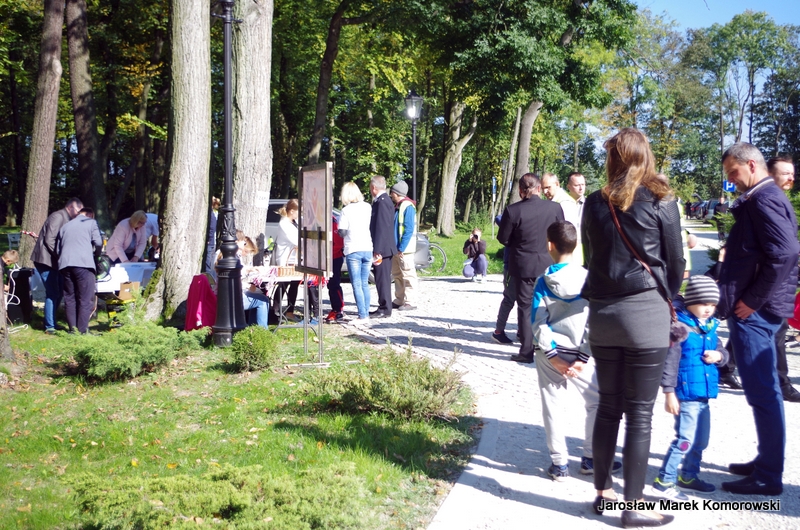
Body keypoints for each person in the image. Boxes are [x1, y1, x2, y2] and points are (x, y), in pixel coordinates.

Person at [582, 128, 684, 527]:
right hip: (645, 313)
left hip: (603, 315)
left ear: (612, 160)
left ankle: (604, 494)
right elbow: (675, 263)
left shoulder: (594, 201)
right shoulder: (661, 199)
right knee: (639, 414)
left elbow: (591, 258)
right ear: (646, 157)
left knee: (608, 407)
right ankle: (633, 507)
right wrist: (663, 297)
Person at [717, 143, 799, 496]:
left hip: (757, 312)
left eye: (734, 172)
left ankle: (768, 475)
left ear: (751, 165)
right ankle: (767, 460)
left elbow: (786, 253)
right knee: (762, 391)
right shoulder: (763, 197)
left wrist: (752, 300)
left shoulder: (765, 198)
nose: (732, 180)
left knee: (763, 392)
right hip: (759, 310)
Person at [532, 220, 621, 482]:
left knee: (553, 406)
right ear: (576, 245)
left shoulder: (543, 282)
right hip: (583, 353)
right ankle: (591, 458)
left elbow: (537, 322)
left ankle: (559, 464)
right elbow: (597, 320)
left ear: (550, 245)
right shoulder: (590, 279)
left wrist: (553, 356)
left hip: (551, 354)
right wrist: (583, 356)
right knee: (596, 402)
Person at [653, 276, 728, 501]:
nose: (708, 309)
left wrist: (719, 356)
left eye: (712, 304)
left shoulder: (711, 327)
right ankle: (664, 480)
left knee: (701, 440)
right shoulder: (680, 328)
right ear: (691, 301)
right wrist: (669, 392)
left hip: (703, 395)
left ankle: (689, 475)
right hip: (685, 395)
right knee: (685, 439)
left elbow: (723, 352)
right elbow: (670, 361)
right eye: (704, 303)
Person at [498, 173, 564, 364]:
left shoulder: (513, 210)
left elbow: (503, 239)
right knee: (550, 305)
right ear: (539, 188)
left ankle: (526, 351)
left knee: (525, 308)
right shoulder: (555, 208)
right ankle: (552, 349)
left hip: (523, 265)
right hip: (549, 263)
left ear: (520, 190)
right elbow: (561, 233)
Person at [765, 156, 800, 403]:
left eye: (792, 173)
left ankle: (726, 366)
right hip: (772, 279)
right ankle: (781, 383)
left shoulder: (779, 200)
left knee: (757, 325)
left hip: (781, 277)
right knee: (778, 329)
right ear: (770, 174)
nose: (791, 177)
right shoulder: (768, 201)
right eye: (786, 173)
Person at [30, 197, 83, 333]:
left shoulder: (67, 218)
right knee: (53, 292)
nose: (79, 214)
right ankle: (49, 326)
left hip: (55, 262)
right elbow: (50, 240)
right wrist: (61, 256)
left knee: (59, 292)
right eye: (78, 211)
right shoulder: (58, 216)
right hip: (46, 261)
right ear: (70, 207)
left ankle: (52, 321)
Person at [56, 207, 102, 334]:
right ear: (90, 215)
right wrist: (97, 255)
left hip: (65, 264)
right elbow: (98, 243)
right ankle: (82, 330)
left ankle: (73, 329)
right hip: (83, 263)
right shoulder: (91, 222)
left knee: (69, 297)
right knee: (85, 298)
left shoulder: (65, 226)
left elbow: (58, 249)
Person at [338, 182, 374, 320]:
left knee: (357, 284)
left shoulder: (346, 210)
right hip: (367, 247)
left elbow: (342, 232)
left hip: (353, 248)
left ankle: (362, 315)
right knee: (364, 283)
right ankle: (366, 312)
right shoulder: (367, 206)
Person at [369, 176, 396, 318]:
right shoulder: (382, 201)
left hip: (383, 249)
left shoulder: (382, 202)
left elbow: (382, 227)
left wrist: (377, 249)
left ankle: (385, 308)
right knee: (380, 279)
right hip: (383, 248)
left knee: (382, 280)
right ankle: (383, 305)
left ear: (374, 187)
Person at [389, 181, 418, 311]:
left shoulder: (407, 206)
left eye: (392, 192)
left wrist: (401, 247)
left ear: (396, 193)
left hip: (404, 249)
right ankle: (399, 299)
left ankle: (410, 301)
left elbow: (409, 229)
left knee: (408, 275)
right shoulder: (399, 206)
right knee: (397, 275)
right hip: (397, 248)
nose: (391, 195)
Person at [271, 199, 300, 322]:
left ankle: (289, 311)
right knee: (283, 284)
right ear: (292, 211)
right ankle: (275, 311)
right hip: (285, 258)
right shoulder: (284, 223)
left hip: (295, 258)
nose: (300, 214)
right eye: (298, 211)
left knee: (294, 284)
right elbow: (295, 240)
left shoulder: (294, 221)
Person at [325, 213, 345, 323]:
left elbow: (338, 242)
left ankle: (338, 309)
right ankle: (334, 308)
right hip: (325, 257)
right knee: (328, 285)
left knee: (333, 284)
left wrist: (329, 254)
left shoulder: (332, 222)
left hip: (334, 257)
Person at [205, 196, 220, 273]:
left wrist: (209, 238)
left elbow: (212, 228)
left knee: (208, 263)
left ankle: (208, 277)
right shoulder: (212, 213)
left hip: (210, 242)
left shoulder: (211, 214)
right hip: (212, 241)